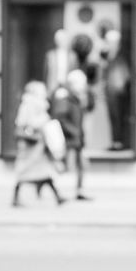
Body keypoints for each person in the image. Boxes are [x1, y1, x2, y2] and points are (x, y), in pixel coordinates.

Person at [12, 80, 64, 206]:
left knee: (44, 171)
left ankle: (57, 196)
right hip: (31, 145)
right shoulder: (28, 104)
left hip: (40, 146)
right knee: (26, 172)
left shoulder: (41, 105)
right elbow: (21, 124)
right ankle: (16, 197)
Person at [51, 69, 93, 201]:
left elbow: (90, 106)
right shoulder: (65, 98)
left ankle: (78, 191)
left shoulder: (76, 98)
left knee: (80, 166)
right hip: (69, 139)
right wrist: (73, 132)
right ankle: (55, 190)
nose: (84, 86)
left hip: (76, 138)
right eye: (82, 83)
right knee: (64, 167)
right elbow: (61, 118)